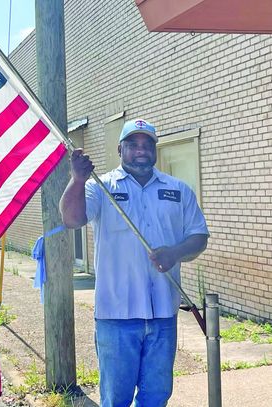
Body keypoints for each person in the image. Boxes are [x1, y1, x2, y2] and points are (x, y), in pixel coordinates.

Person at [59, 118, 209, 406]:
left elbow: (199, 237)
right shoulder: (99, 187)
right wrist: (77, 179)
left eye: (147, 144)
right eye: (133, 144)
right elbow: (71, 219)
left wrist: (175, 253)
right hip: (116, 318)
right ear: (120, 149)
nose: (141, 150)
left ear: (155, 148)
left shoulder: (178, 190)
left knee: (156, 396)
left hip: (163, 315)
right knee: (116, 399)